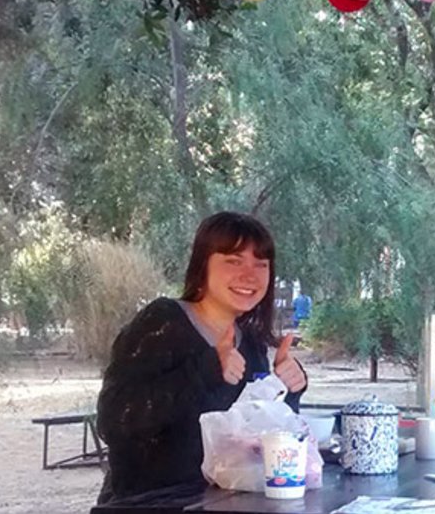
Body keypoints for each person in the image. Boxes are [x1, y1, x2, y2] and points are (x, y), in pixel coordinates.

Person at [95, 212, 308, 505]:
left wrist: (287, 390)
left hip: (225, 502)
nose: (250, 275)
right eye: (233, 261)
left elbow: (255, 438)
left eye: (261, 264)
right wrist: (205, 371)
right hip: (148, 502)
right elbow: (114, 421)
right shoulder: (164, 322)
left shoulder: (251, 344)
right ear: (202, 264)